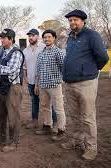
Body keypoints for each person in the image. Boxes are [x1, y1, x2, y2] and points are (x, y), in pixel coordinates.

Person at [61, 9, 109, 160]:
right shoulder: (70, 38)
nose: (72, 22)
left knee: (87, 117)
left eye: (75, 20)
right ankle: (76, 141)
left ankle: (91, 147)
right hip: (69, 83)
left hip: (86, 83)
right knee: (74, 116)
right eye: (70, 20)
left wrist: (91, 70)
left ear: (82, 21)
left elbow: (102, 57)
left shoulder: (92, 35)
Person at [0, 29, 24, 152]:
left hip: (13, 88)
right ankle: (1, 138)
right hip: (3, 87)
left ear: (11, 39)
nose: (1, 40)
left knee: (13, 116)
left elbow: (12, 69)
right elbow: (2, 70)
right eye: (1, 38)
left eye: (4, 38)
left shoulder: (16, 52)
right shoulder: (4, 52)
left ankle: (14, 142)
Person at [34, 30, 66, 142]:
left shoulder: (59, 52)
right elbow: (38, 71)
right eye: (45, 37)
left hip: (55, 85)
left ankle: (61, 130)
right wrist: (36, 85)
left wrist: (62, 81)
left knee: (58, 108)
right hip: (42, 85)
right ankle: (47, 126)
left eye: (49, 37)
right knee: (45, 107)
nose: (46, 39)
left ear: (54, 38)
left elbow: (64, 68)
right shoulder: (41, 53)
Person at [23, 29, 57, 129]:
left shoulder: (43, 47)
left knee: (47, 102)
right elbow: (24, 67)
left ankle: (55, 122)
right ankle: (34, 121)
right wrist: (26, 79)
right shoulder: (25, 50)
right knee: (34, 100)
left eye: (33, 35)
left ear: (37, 36)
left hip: (43, 80)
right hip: (30, 80)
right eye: (29, 36)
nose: (30, 37)